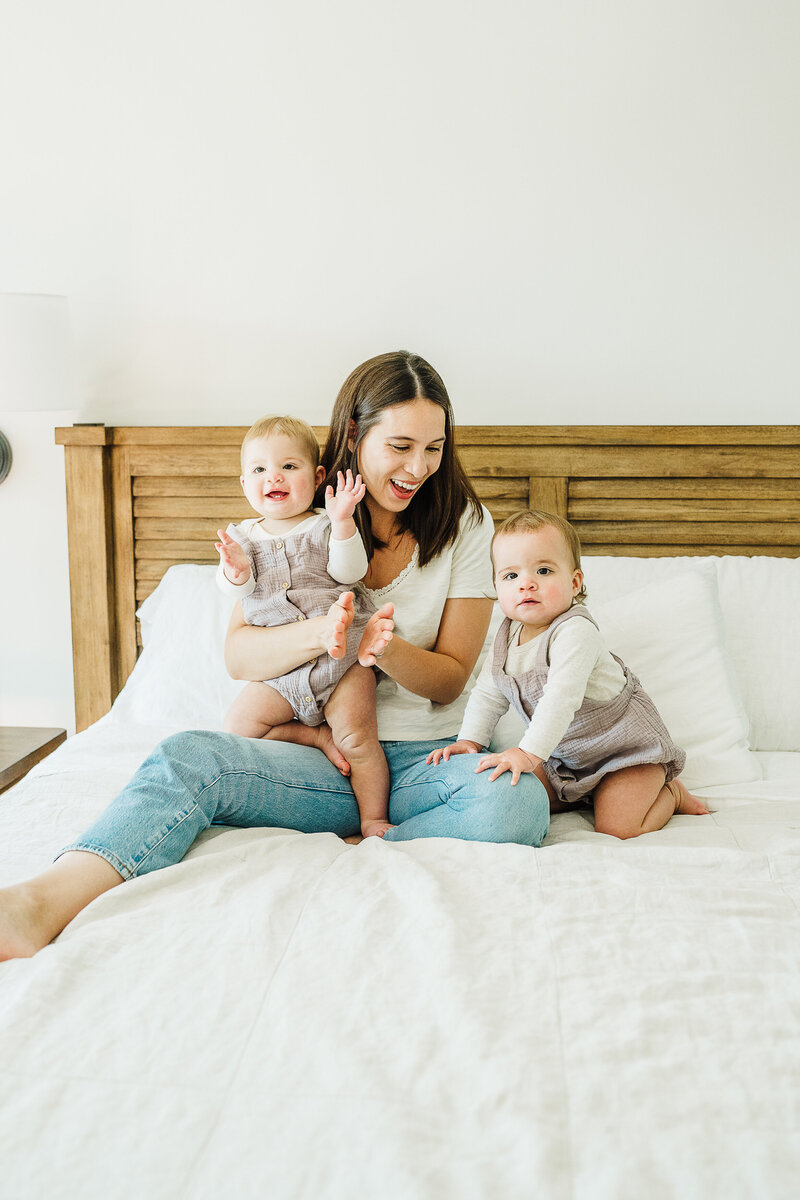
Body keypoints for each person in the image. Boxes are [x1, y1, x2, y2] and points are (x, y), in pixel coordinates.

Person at [0, 351, 550, 962]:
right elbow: (240, 655)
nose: (417, 467)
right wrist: (325, 635)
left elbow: (448, 681)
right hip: (324, 766)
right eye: (399, 446)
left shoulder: (467, 524)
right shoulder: (296, 518)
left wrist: (382, 647)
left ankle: (375, 831)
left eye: (434, 448)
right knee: (188, 757)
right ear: (352, 436)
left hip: (426, 762)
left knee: (518, 803)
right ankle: (38, 902)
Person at [428, 509, 710, 838]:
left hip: (623, 755)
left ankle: (671, 793)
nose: (526, 584)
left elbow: (561, 699)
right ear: (495, 587)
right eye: (510, 576)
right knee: (518, 795)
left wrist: (526, 753)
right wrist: (469, 740)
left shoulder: (575, 631)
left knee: (617, 827)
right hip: (564, 759)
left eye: (543, 570)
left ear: (574, 582)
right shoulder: (505, 638)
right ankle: (589, 794)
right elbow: (488, 694)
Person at [216, 413, 392, 839]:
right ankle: (313, 738)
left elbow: (350, 571)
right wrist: (236, 572)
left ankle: (372, 819)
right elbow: (232, 590)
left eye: (288, 466)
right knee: (237, 729)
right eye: (259, 470)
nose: (273, 476)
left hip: (342, 659)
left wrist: (345, 520)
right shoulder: (242, 538)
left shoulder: (325, 523)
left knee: (358, 740)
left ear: (316, 478)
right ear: (245, 485)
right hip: (279, 672)